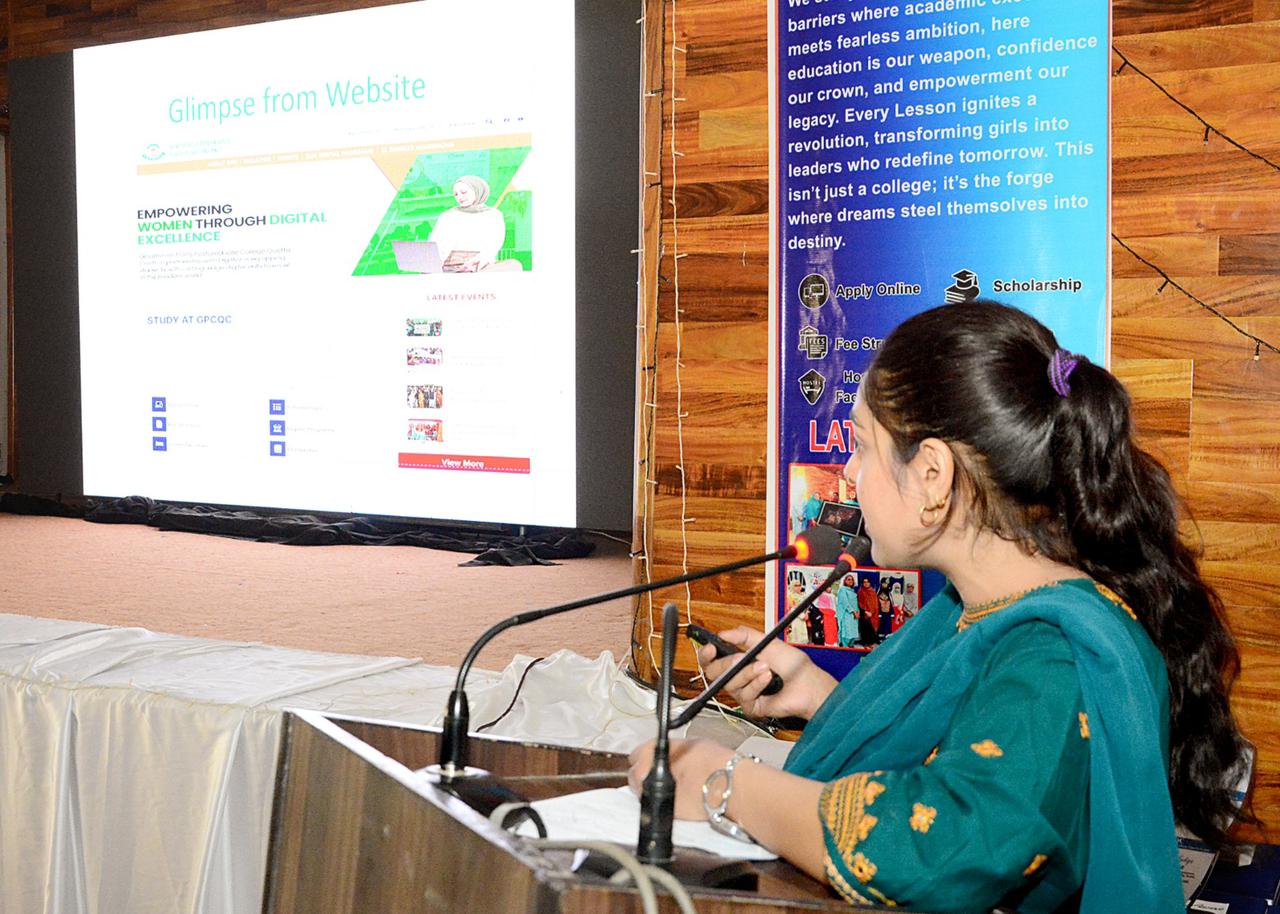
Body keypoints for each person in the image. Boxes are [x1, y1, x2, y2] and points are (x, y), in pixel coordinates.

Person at [630, 301, 1252, 913]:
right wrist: (818, 695)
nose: (849, 470)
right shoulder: (974, 605)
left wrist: (727, 783)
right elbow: (974, 737)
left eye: (863, 445)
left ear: (932, 474)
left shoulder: (1054, 655)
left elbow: (944, 845)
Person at [426, 175, 520, 273]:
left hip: (481, 265)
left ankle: (471, 273)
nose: (460, 197)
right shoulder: (448, 215)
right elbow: (435, 244)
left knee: (514, 265)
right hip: (450, 265)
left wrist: (479, 261)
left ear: (477, 190)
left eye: (463, 192)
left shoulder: (494, 215)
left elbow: (494, 244)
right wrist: (434, 264)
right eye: (456, 194)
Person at [835, 574, 859, 647]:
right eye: (848, 579)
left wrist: (858, 612)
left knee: (853, 631)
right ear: (845, 581)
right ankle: (844, 646)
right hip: (846, 614)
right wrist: (853, 612)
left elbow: (856, 604)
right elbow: (845, 602)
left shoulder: (852, 591)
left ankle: (851, 645)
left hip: (854, 615)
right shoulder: (842, 590)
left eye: (852, 579)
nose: (850, 581)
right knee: (847, 631)